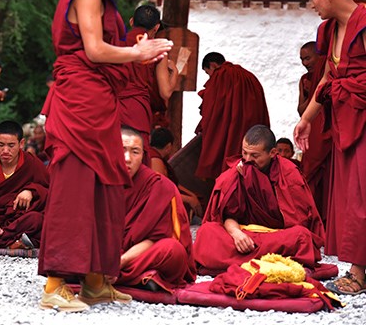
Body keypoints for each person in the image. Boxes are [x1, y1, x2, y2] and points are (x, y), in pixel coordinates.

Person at [38, 0, 172, 312]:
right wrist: (137, 54)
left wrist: (137, 50)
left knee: (104, 186)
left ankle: (95, 280)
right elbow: (95, 50)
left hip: (97, 100)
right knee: (75, 187)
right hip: (80, 100)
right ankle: (55, 284)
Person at [295, 0, 366, 295]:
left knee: (363, 196)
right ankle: (357, 268)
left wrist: (348, 89)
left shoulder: (364, 24)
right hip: (347, 120)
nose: (311, 5)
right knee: (351, 197)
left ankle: (357, 273)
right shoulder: (328, 30)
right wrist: (307, 118)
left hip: (363, 120)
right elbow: (327, 78)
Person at [194, 125, 324, 276]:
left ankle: (236, 262)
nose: (248, 160)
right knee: (206, 232)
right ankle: (273, 263)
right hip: (244, 235)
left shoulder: (288, 174)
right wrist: (236, 233)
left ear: (272, 153)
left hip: (276, 237)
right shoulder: (236, 173)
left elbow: (298, 221)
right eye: (244, 153)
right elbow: (227, 215)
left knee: (301, 236)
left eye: (254, 156)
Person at [119, 128, 195, 291]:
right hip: (107, 253)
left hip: (138, 255)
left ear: (143, 156)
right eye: (122, 150)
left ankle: (106, 275)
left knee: (173, 251)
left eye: (135, 152)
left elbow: (155, 238)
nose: (127, 159)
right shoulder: (99, 180)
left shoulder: (158, 185)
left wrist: (122, 260)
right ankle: (139, 277)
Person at [195, 52, 270, 180]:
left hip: (230, 131)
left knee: (229, 171)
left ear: (213, 66)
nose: (210, 78)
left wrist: (203, 127)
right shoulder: (249, 77)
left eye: (208, 73)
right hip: (252, 132)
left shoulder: (220, 76)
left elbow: (212, 110)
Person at [0, 121, 49, 249]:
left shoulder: (32, 163)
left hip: (20, 220)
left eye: (11, 145)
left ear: (21, 144)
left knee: (37, 219)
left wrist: (32, 191)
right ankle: (14, 241)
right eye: (0, 145)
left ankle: (1, 241)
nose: (5, 151)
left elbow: (49, 192)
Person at [118, 5, 178, 148]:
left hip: (112, 109)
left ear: (132, 22)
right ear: (156, 27)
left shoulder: (115, 44)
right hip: (138, 111)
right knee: (136, 154)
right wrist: (174, 73)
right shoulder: (158, 50)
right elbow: (165, 92)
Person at [296, 40, 332, 223]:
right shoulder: (305, 80)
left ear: (319, 56)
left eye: (308, 58)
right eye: (302, 59)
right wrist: (310, 95)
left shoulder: (330, 72)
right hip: (313, 130)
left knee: (329, 174)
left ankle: (329, 218)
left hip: (328, 128)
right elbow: (301, 110)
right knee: (310, 172)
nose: (305, 63)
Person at [149, 128, 203, 221]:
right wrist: (189, 199)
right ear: (169, 146)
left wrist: (192, 196)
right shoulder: (155, 160)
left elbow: (173, 185)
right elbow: (160, 192)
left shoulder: (155, 157)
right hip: (159, 211)